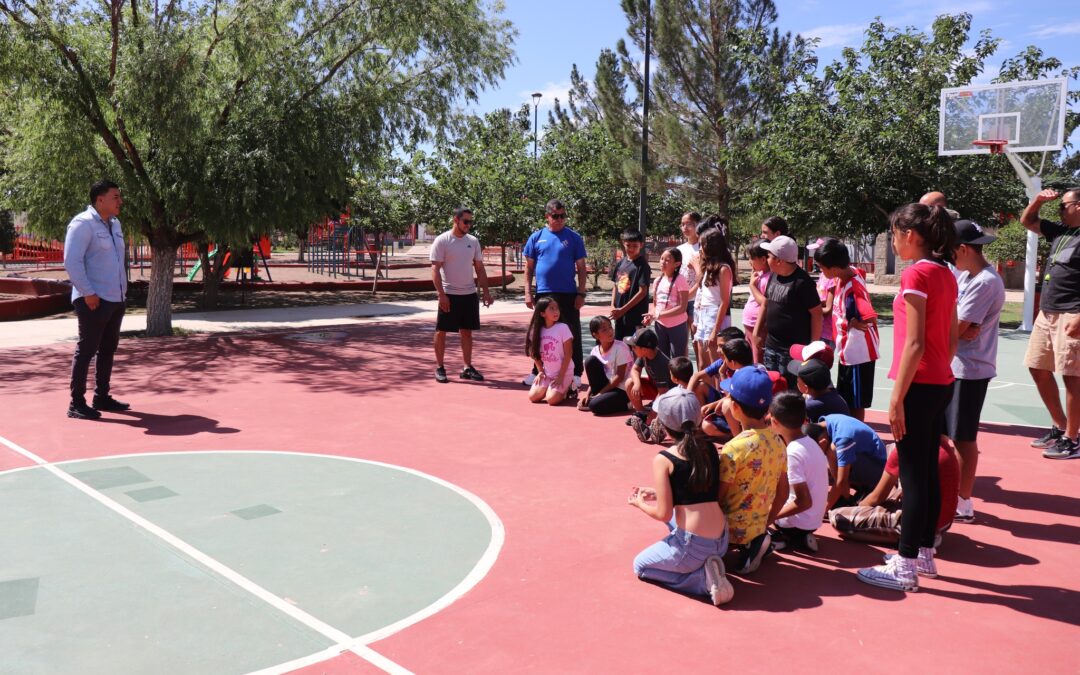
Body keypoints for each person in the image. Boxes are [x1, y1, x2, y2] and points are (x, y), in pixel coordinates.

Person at [858, 203, 958, 593]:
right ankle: (923, 552)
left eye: (895, 234)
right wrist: (938, 370)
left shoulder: (916, 273)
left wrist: (897, 398)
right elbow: (950, 337)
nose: (894, 241)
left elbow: (914, 342)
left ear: (910, 235)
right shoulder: (945, 273)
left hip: (918, 386)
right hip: (939, 382)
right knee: (926, 473)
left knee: (914, 477)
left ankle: (905, 564)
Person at [630, 387, 734, 607]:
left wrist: (640, 503)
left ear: (664, 423)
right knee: (676, 522)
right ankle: (706, 566)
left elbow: (663, 513)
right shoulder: (709, 448)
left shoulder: (663, 459)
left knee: (640, 566)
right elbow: (695, 490)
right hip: (722, 538)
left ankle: (702, 581)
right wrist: (657, 492)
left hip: (694, 546)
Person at [947, 219, 1006, 520]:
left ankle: (963, 501)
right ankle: (951, 494)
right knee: (949, 433)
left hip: (970, 369)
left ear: (962, 249)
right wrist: (957, 326)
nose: (949, 259)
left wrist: (956, 327)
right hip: (957, 365)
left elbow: (956, 326)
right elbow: (955, 321)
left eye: (950, 252)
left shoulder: (984, 281)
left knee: (963, 437)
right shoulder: (968, 276)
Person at [1020, 187, 1080, 460]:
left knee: (1072, 377)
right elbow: (1028, 221)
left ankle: (1072, 439)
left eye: (1063, 205)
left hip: (1072, 313)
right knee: (1037, 367)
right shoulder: (1060, 231)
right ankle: (1061, 425)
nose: (1059, 210)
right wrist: (1038, 201)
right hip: (1048, 313)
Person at [64, 180, 129, 420]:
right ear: (100, 200)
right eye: (115, 197)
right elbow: (72, 261)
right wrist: (87, 292)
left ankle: (101, 396)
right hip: (93, 299)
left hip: (115, 298)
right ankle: (76, 403)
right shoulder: (82, 224)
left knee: (108, 349)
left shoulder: (115, 224)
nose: (120, 201)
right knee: (87, 350)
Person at [830, 440, 959, 555]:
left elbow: (876, 498)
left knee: (837, 517)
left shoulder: (905, 446)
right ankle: (914, 535)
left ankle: (907, 539)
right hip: (944, 522)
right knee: (891, 452)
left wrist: (857, 508)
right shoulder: (941, 443)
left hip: (919, 524)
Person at [717, 366, 787, 574]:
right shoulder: (779, 442)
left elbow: (718, 496)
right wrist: (766, 523)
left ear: (735, 407)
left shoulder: (734, 448)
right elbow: (783, 493)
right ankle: (756, 540)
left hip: (729, 529)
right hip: (759, 523)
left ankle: (741, 545)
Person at [523, 200, 588, 390]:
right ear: (547, 216)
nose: (559, 219)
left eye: (562, 216)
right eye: (555, 216)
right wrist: (527, 292)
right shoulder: (536, 238)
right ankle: (538, 371)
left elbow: (582, 268)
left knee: (571, 333)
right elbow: (528, 269)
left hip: (568, 294)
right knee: (540, 333)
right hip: (544, 293)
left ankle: (576, 373)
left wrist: (581, 293)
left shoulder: (574, 238)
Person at [814, 238, 879, 421]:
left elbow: (870, 316)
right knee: (847, 397)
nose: (820, 271)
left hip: (858, 355)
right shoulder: (849, 274)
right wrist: (851, 319)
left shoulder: (853, 288)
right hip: (847, 352)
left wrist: (856, 321)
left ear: (834, 268)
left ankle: (856, 431)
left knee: (855, 402)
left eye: (822, 268)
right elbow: (860, 273)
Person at [430, 207, 494, 383]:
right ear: (456, 220)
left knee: (467, 332)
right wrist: (441, 295)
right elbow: (435, 269)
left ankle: (467, 367)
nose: (468, 225)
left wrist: (486, 293)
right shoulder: (442, 240)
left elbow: (479, 268)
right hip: (449, 294)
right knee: (441, 331)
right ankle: (440, 367)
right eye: (466, 221)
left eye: (470, 222)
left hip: (469, 294)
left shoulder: (473, 241)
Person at [756, 235, 823, 388]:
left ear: (779, 260)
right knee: (772, 388)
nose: (767, 259)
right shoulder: (774, 275)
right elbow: (766, 303)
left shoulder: (802, 282)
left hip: (792, 351)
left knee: (790, 392)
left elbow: (817, 314)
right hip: (771, 346)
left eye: (769, 256)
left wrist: (812, 348)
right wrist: (757, 332)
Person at [769, 392, 830, 553]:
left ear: (774, 422)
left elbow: (804, 502)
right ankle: (801, 536)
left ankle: (781, 537)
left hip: (799, 522)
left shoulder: (792, 453)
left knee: (763, 499)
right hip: (814, 521)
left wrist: (770, 516)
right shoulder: (811, 442)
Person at [804, 414, 887, 508]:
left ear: (823, 442)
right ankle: (845, 496)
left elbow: (841, 480)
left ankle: (852, 497)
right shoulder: (825, 423)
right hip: (863, 458)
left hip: (877, 472)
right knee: (825, 467)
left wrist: (823, 510)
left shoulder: (843, 438)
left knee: (832, 452)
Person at [692, 217, 736, 369]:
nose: (700, 249)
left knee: (715, 366)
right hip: (703, 315)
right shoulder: (708, 268)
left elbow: (724, 301)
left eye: (702, 245)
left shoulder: (724, 269)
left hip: (714, 316)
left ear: (711, 247)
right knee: (703, 364)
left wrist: (715, 331)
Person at [580, 315, 633, 415]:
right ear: (595, 335)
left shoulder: (621, 347)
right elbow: (593, 379)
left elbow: (619, 377)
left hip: (622, 389)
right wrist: (588, 395)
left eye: (610, 327)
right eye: (604, 330)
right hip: (607, 385)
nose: (610, 331)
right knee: (590, 361)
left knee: (594, 406)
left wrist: (600, 394)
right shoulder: (595, 350)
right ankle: (596, 399)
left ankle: (627, 403)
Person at [525, 297, 574, 406]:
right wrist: (541, 371)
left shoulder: (563, 328)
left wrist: (561, 376)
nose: (556, 311)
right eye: (551, 308)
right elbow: (534, 353)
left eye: (557, 308)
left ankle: (569, 388)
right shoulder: (536, 330)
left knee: (551, 400)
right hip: (548, 373)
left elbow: (568, 353)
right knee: (533, 397)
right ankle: (550, 387)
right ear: (542, 314)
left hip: (564, 372)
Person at [643, 247, 689, 358]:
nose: (663, 262)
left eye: (667, 260)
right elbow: (656, 305)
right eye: (661, 258)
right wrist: (650, 316)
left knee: (677, 359)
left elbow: (682, 307)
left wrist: (659, 315)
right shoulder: (657, 281)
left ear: (677, 264)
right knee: (663, 357)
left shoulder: (680, 280)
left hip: (677, 326)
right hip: (660, 326)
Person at [625, 327, 672, 427]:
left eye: (634, 347)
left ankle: (649, 416)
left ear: (644, 349)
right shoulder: (645, 354)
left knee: (652, 421)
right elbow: (635, 369)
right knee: (630, 383)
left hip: (668, 395)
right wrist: (637, 384)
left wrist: (651, 416)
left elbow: (663, 393)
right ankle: (641, 412)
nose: (632, 349)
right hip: (656, 389)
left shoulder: (661, 363)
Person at [788, 356, 850, 421]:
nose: (797, 382)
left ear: (806, 388)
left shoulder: (811, 406)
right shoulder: (832, 392)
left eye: (797, 381)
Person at [677, 212, 702, 353]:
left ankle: (701, 367)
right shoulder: (679, 250)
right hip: (680, 300)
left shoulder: (703, 248)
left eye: (689, 224)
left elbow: (702, 278)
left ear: (698, 225)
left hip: (696, 301)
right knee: (681, 342)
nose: (685, 227)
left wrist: (688, 296)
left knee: (696, 340)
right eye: (682, 224)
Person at [742, 242, 770, 363]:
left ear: (763, 259)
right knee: (749, 359)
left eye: (751, 258)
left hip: (757, 327)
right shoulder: (760, 275)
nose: (749, 261)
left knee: (758, 361)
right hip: (750, 325)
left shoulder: (768, 278)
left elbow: (764, 302)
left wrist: (752, 286)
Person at [807, 238, 836, 347]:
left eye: (817, 251)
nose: (815, 256)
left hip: (827, 333)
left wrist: (807, 310)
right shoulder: (823, 274)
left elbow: (828, 309)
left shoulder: (832, 278)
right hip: (818, 328)